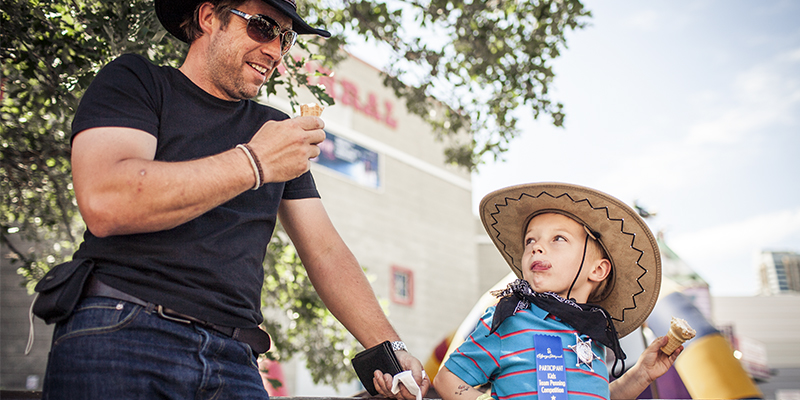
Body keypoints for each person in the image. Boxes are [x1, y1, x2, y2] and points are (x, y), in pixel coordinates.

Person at [40, 0, 429, 398]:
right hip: (122, 329)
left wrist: (391, 348)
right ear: (209, 17)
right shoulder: (138, 81)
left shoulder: (273, 128)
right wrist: (255, 161)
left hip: (235, 359)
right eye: (262, 27)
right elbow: (108, 201)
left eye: (286, 37)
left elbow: (325, 251)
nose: (276, 51)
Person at [434, 182, 679, 400]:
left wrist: (641, 375)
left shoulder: (594, 337)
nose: (537, 247)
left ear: (598, 270)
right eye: (530, 240)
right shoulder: (507, 321)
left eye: (558, 239)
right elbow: (447, 379)